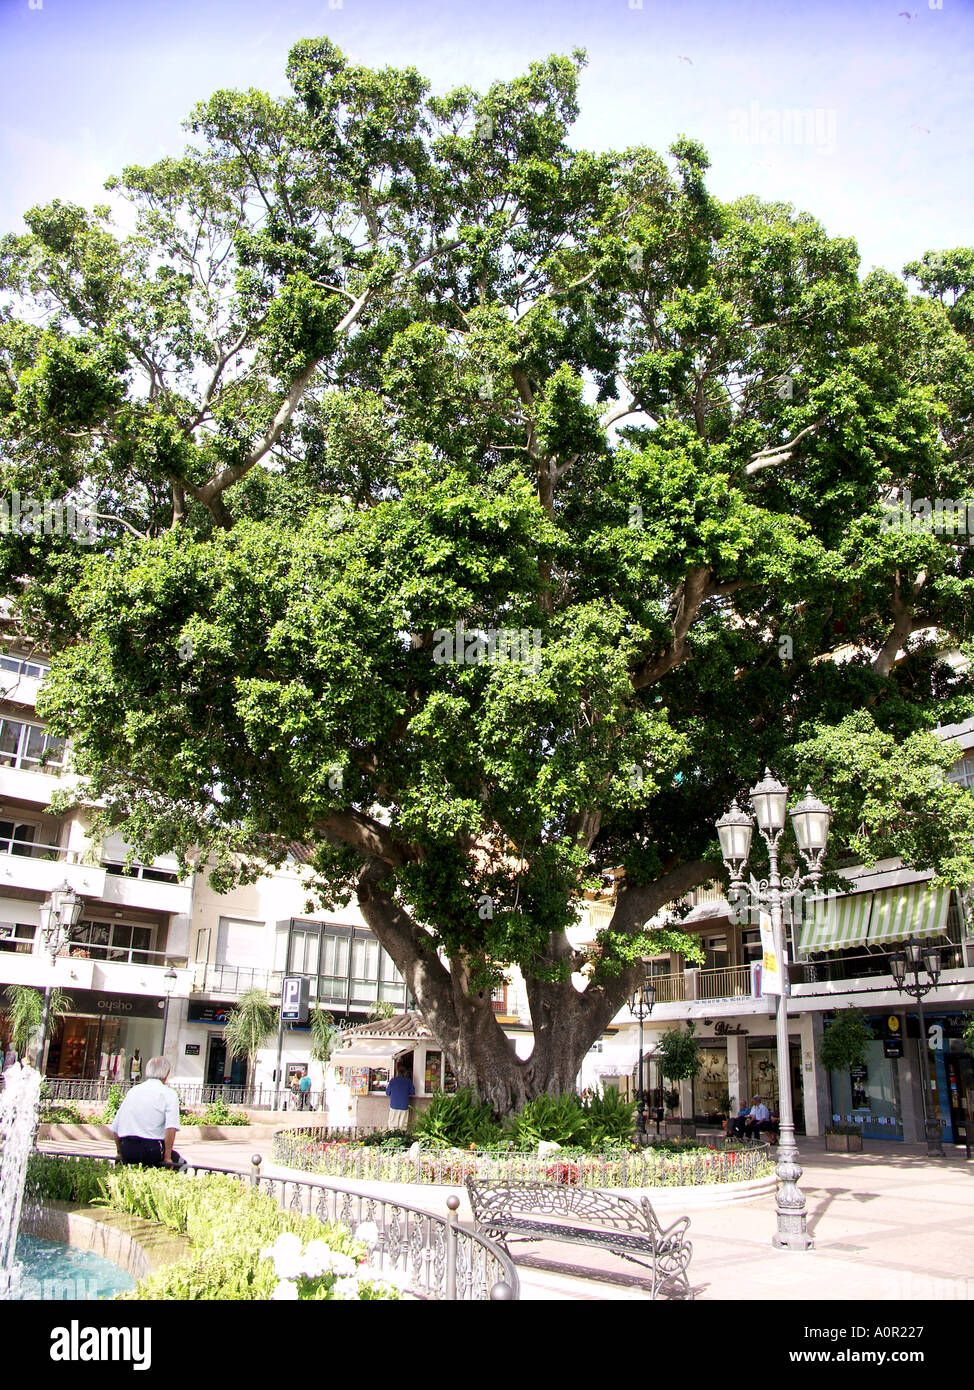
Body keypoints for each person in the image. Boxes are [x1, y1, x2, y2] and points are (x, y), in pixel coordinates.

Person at [110, 1056, 183, 1169]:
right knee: (182, 1165)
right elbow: (171, 1128)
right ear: (166, 1075)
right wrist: (167, 1158)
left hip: (127, 1147)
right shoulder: (169, 1094)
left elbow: (115, 1127)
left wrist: (119, 1152)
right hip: (152, 1149)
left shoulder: (133, 1091)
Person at [386, 1063, 415, 1130]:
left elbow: (387, 1093)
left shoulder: (392, 1081)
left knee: (392, 1125)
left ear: (398, 1072)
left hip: (394, 1105)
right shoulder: (408, 1081)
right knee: (403, 1125)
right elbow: (412, 1092)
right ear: (405, 1073)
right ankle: (401, 1138)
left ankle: (392, 1137)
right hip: (404, 1105)